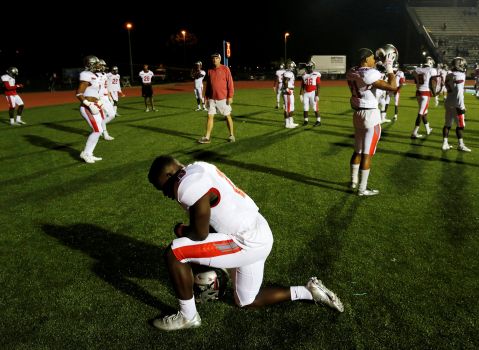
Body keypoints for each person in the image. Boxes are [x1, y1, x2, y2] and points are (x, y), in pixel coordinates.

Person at [147, 155, 344, 331]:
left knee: (175, 253)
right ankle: (309, 291)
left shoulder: (185, 184)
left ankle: (188, 316)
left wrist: (181, 230)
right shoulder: (200, 166)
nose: (164, 193)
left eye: (161, 187)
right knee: (246, 301)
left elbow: (200, 234)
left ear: (169, 174)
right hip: (260, 232)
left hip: (244, 241)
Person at [346, 46, 398, 196]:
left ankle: (353, 181)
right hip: (371, 115)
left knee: (357, 151)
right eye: (371, 58)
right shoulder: (370, 74)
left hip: (357, 115)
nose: (374, 60)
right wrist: (389, 68)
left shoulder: (351, 71)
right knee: (367, 154)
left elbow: (368, 74)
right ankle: (362, 189)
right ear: (365, 59)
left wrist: (380, 63)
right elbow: (392, 87)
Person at [198, 53, 235, 144]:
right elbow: (209, 86)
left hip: (223, 98)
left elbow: (230, 83)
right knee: (210, 116)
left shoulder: (225, 69)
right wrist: (206, 97)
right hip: (212, 99)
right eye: (213, 58)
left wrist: (230, 96)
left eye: (216, 58)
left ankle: (231, 135)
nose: (214, 60)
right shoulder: (210, 70)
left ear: (220, 59)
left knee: (227, 116)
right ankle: (207, 137)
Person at [76, 55, 104, 163]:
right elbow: (79, 93)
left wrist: (98, 101)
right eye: (96, 63)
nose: (98, 65)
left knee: (99, 131)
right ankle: (86, 153)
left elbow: (93, 92)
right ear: (90, 64)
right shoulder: (85, 74)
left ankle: (89, 153)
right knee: (97, 130)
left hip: (94, 104)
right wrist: (89, 104)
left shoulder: (94, 75)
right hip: (87, 106)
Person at [442, 57, 471, 152]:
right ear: (459, 65)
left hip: (448, 102)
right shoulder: (460, 75)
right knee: (461, 126)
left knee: (447, 124)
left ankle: (445, 143)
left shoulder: (449, 75)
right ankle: (461, 145)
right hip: (456, 104)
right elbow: (458, 91)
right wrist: (461, 106)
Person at [411, 56, 437, 139]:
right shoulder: (431, 70)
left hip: (418, 92)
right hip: (425, 93)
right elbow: (432, 83)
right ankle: (414, 132)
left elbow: (415, 81)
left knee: (424, 111)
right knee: (421, 113)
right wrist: (434, 94)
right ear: (430, 63)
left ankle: (428, 128)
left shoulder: (417, 70)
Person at [96, 59, 115, 141]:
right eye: (102, 65)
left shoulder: (104, 75)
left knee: (112, 115)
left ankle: (101, 130)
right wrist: (97, 99)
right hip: (100, 98)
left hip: (106, 97)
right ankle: (104, 133)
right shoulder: (95, 75)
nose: (104, 67)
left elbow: (106, 87)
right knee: (106, 116)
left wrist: (110, 97)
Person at [299, 61, 321, 126]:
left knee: (315, 107)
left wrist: (317, 95)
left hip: (313, 93)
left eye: (310, 67)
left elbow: (318, 86)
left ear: (312, 67)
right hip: (306, 93)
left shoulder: (316, 74)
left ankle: (318, 121)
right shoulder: (304, 75)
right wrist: (300, 94)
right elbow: (302, 85)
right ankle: (306, 120)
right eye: (308, 67)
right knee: (305, 107)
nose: (309, 68)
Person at [281, 60, 298, 128]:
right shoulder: (288, 73)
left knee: (291, 107)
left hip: (290, 91)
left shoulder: (289, 72)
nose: (294, 68)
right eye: (293, 67)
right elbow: (285, 81)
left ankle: (291, 122)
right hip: (287, 92)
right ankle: (287, 123)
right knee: (287, 108)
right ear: (291, 66)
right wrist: (287, 89)